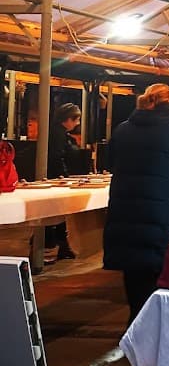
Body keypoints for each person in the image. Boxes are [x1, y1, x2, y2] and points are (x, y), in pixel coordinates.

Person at [103, 84, 169, 323]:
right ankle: (156, 325)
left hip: (125, 208)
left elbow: (109, 162)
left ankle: (135, 323)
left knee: (133, 268)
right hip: (160, 209)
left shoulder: (123, 129)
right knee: (161, 266)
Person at [45, 102, 86, 260]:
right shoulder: (59, 135)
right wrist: (64, 175)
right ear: (68, 119)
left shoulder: (58, 133)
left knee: (58, 213)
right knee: (57, 212)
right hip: (58, 179)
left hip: (59, 178)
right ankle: (56, 244)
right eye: (76, 120)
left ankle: (62, 244)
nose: (77, 123)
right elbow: (57, 157)